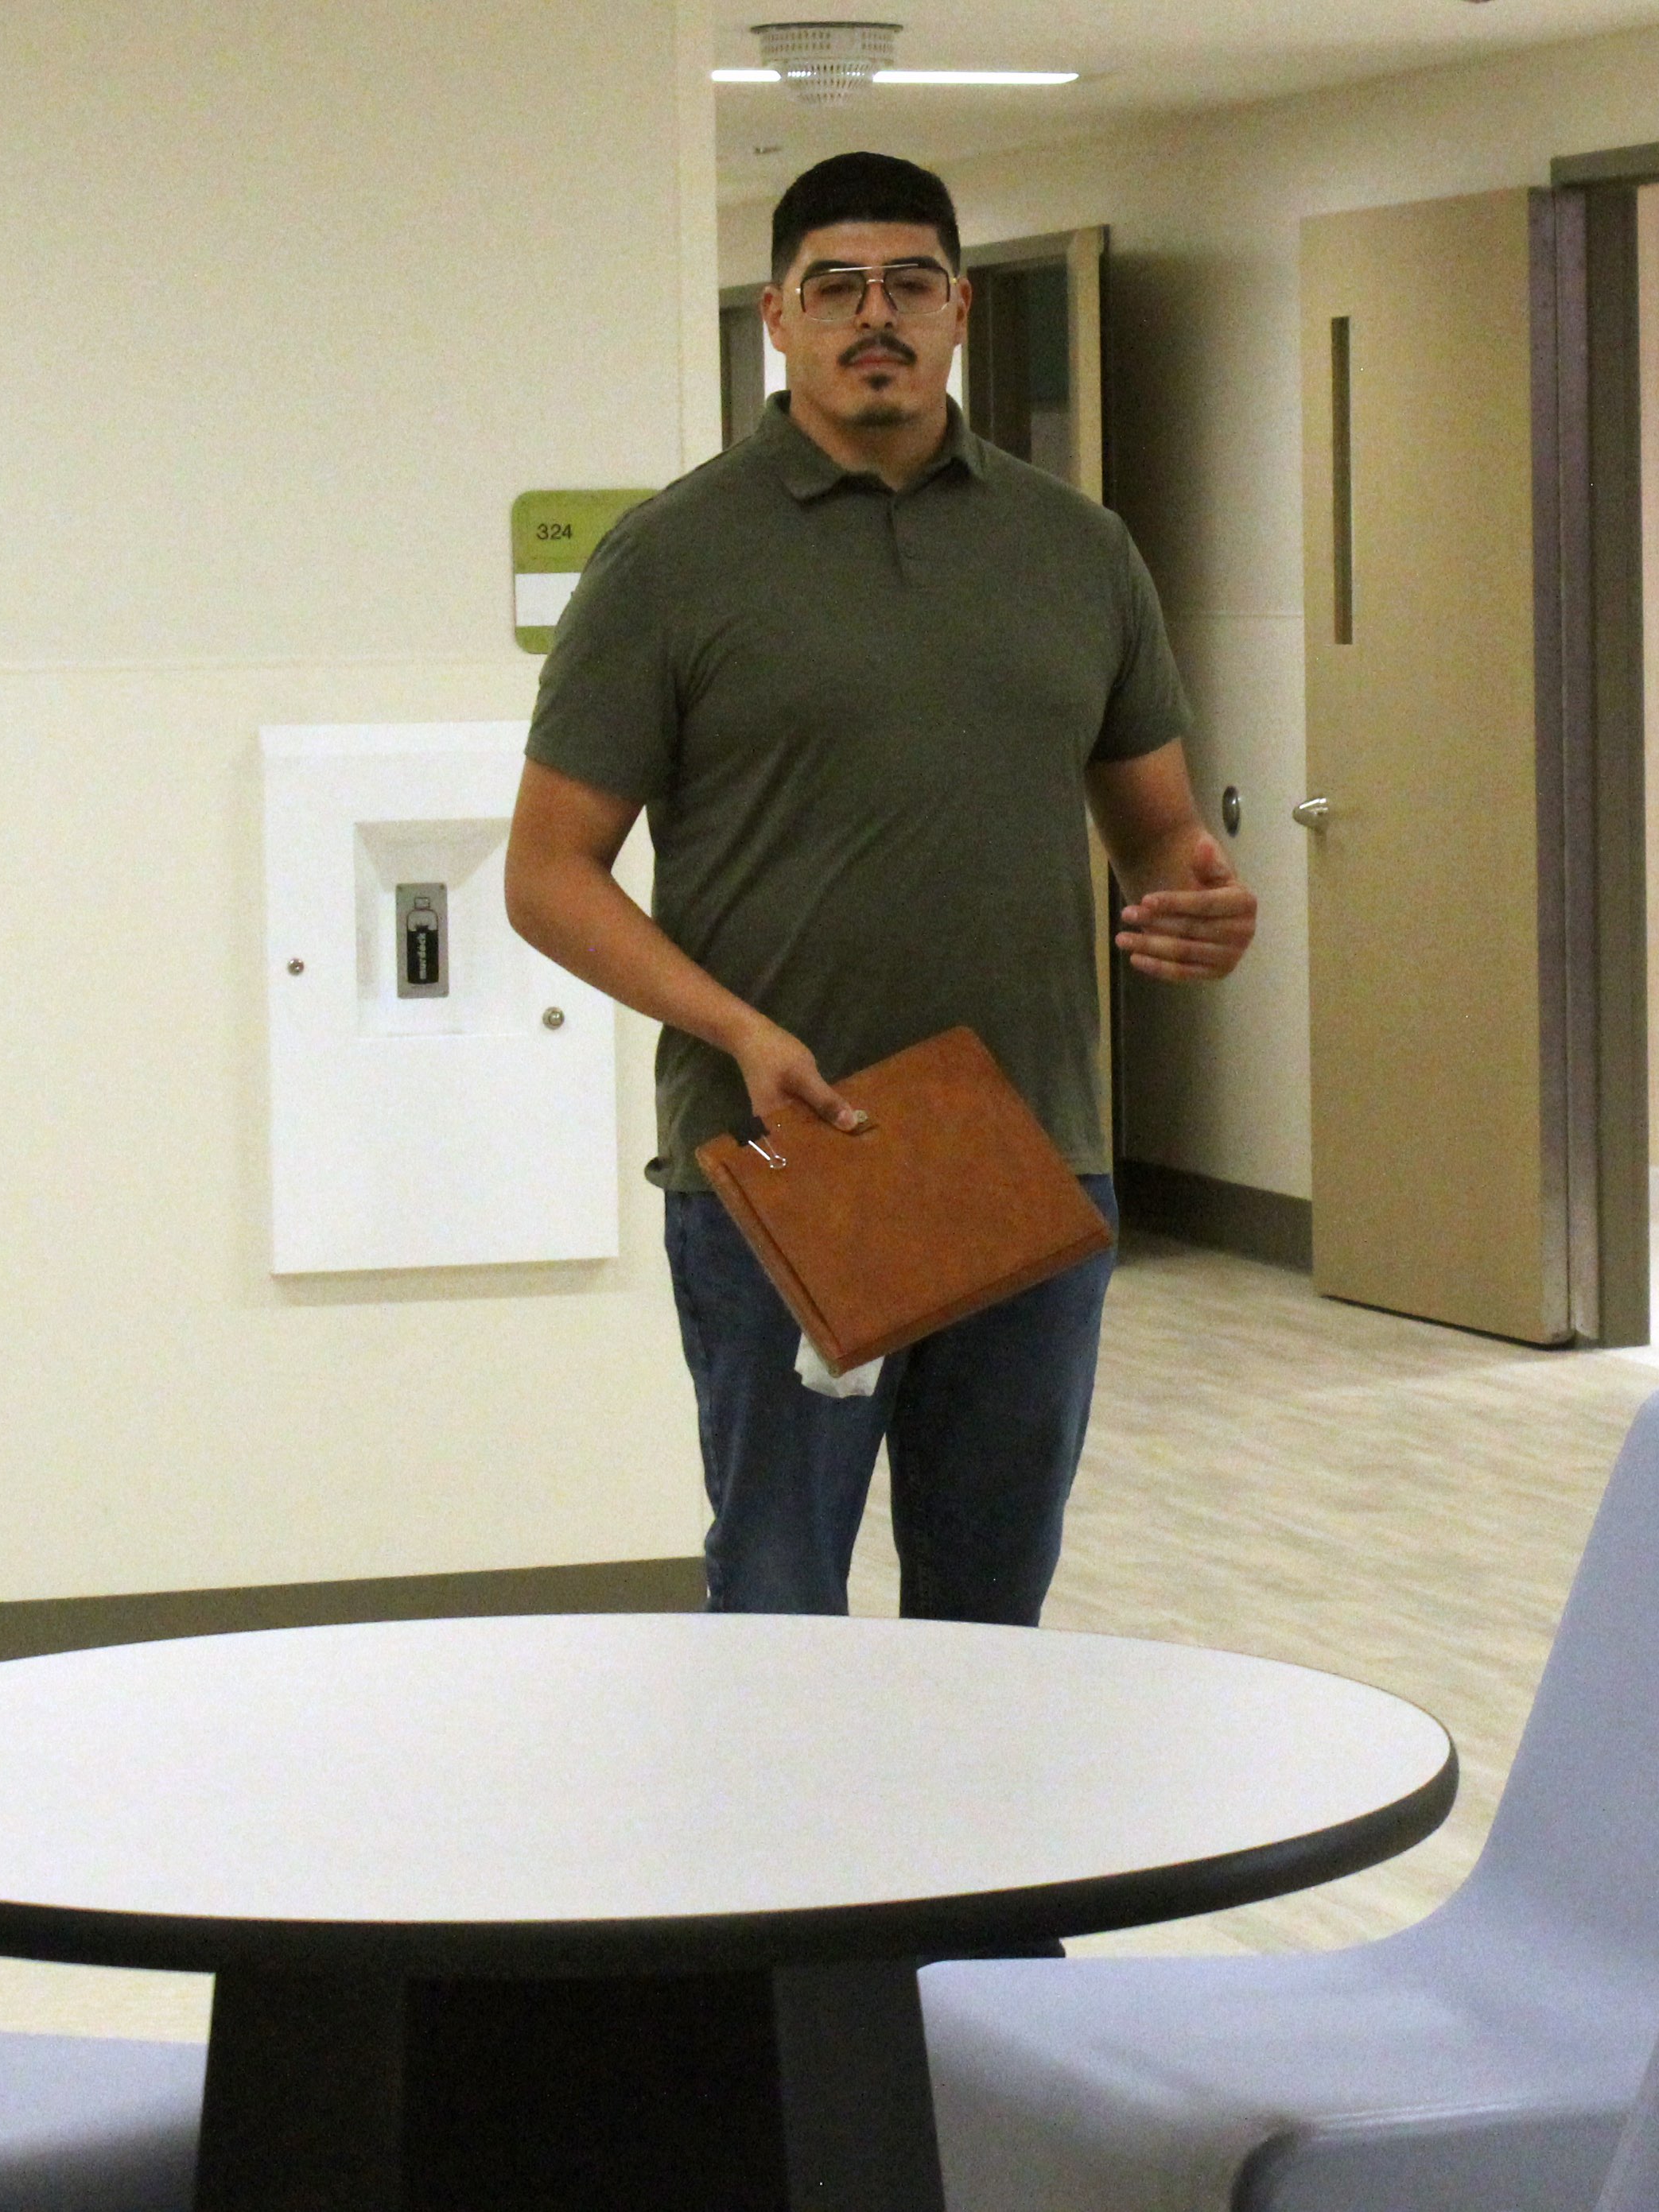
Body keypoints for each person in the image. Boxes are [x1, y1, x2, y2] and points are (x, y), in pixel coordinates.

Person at [507, 150, 1253, 1626]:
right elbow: (545, 874)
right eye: (835, 287)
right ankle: (787, 1865)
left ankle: (972, 1863)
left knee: (993, 1604)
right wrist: (735, 1030)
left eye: (910, 283)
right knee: (782, 1596)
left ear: (959, 308)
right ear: (778, 317)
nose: (876, 316)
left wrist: (1198, 905)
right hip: (790, 1156)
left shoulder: (1074, 550)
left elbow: (1158, 830)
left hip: (1028, 1150)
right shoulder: (671, 559)